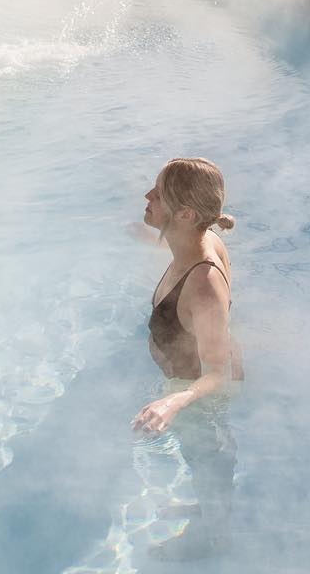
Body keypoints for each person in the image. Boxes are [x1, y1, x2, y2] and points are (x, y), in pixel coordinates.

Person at [134, 157, 240, 560]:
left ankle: (213, 540)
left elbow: (218, 373)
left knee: (207, 455)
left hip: (198, 389)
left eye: (159, 193)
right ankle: (209, 504)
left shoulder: (203, 282)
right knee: (204, 458)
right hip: (187, 380)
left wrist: (174, 401)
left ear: (186, 214)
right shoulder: (196, 238)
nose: (148, 195)